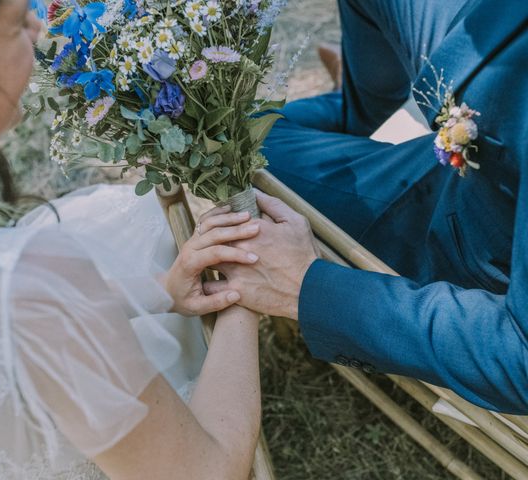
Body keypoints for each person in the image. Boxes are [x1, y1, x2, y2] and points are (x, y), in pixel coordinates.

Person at [0, 1, 265, 479]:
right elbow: (205, 472)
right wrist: (242, 295)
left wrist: (161, 291)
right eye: (12, 25)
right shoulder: (29, 283)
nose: (38, 25)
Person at [206, 0, 528, 414]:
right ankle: (362, 113)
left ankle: (358, 128)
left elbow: (519, 356)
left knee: (239, 143)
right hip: (504, 35)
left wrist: (306, 288)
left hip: (461, 221)